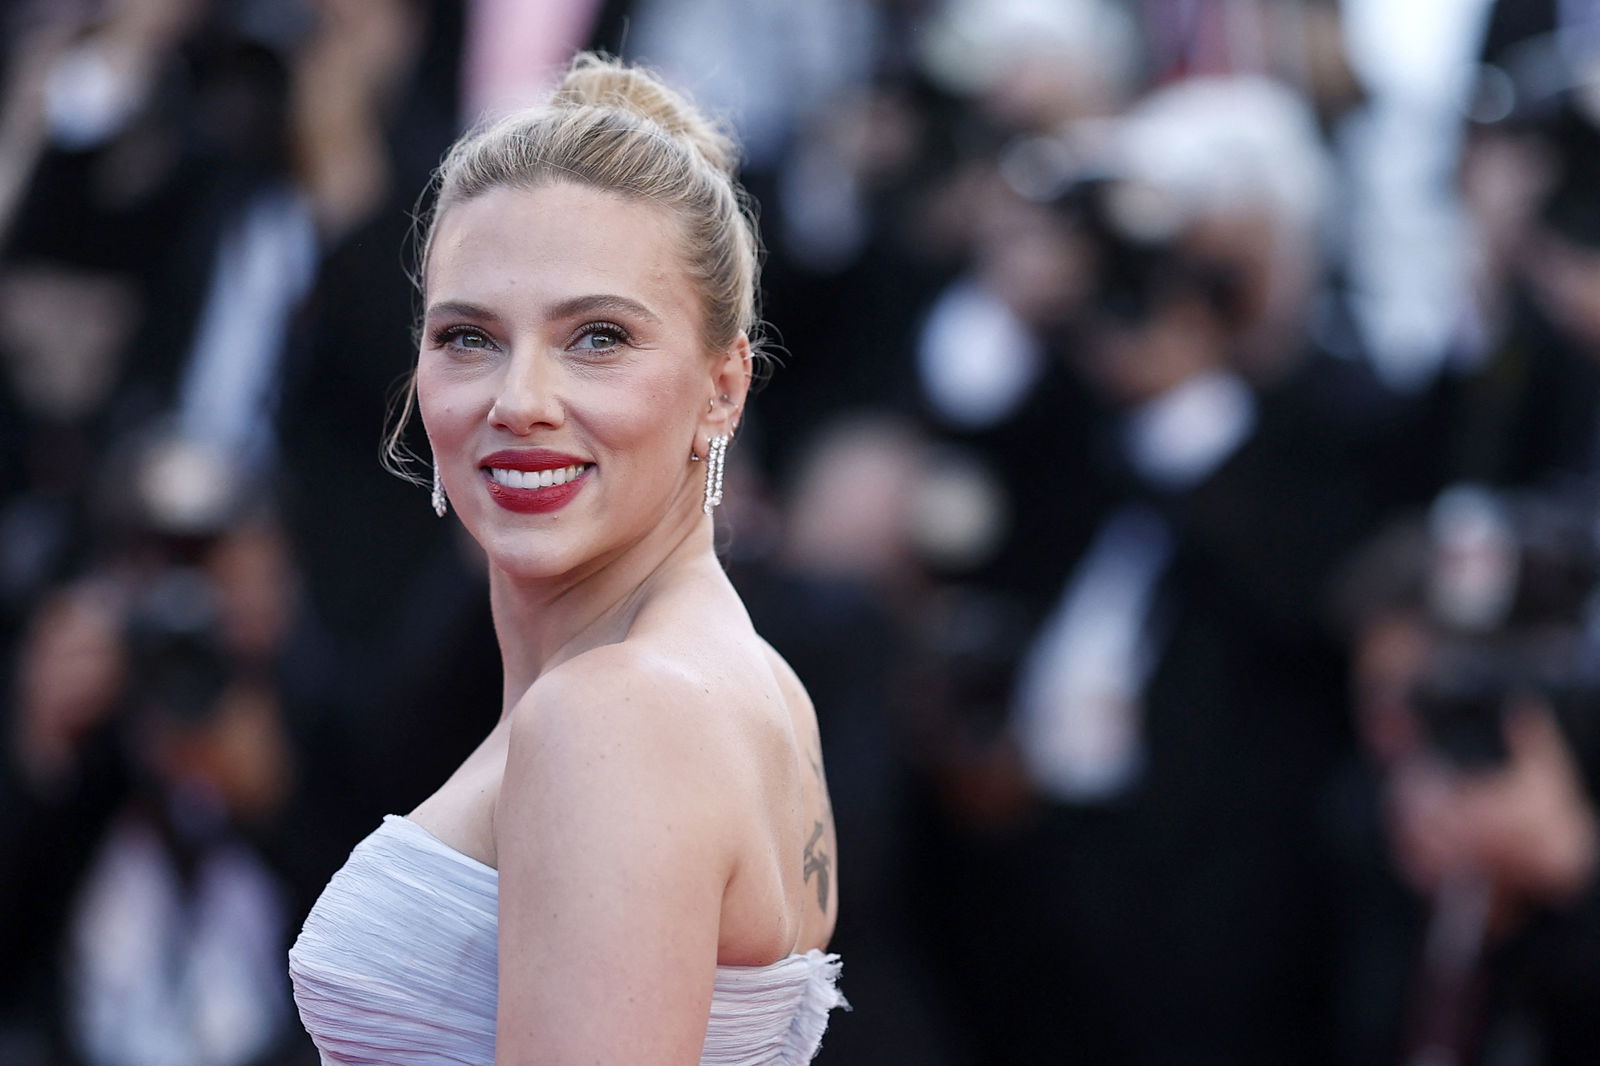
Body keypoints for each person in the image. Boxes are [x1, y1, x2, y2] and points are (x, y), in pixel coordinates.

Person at [287, 53, 844, 1065]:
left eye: (596, 336)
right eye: (467, 337)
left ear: (723, 388)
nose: (519, 399)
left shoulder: (616, 715)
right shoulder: (736, 677)